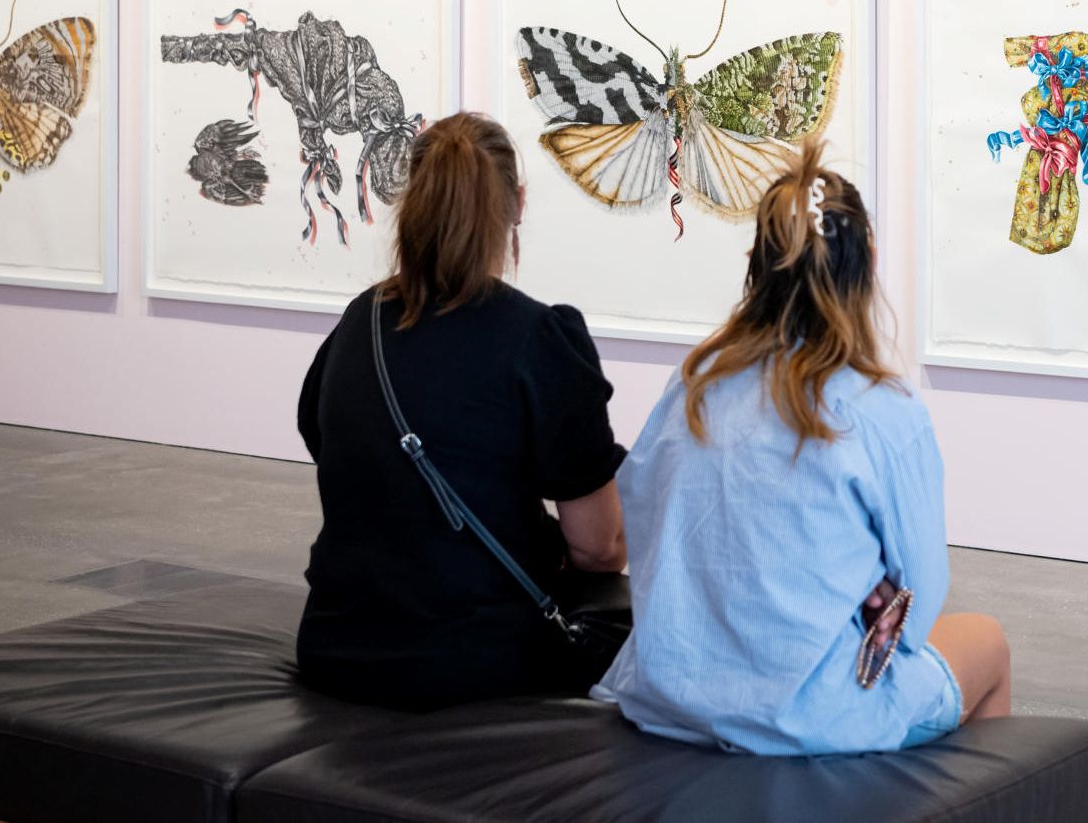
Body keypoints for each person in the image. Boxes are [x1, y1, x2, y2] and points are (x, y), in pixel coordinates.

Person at [593, 139, 1011, 754]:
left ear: (754, 265)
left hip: (666, 697)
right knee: (988, 642)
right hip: (806, 720)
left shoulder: (693, 384)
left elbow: (645, 519)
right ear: (868, 262)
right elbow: (916, 610)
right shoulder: (881, 409)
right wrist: (865, 595)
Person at [296, 112, 627, 710]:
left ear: (413, 201)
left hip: (336, 645)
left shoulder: (360, 322)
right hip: (476, 661)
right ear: (517, 203)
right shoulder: (539, 339)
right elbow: (599, 550)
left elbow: (326, 441)